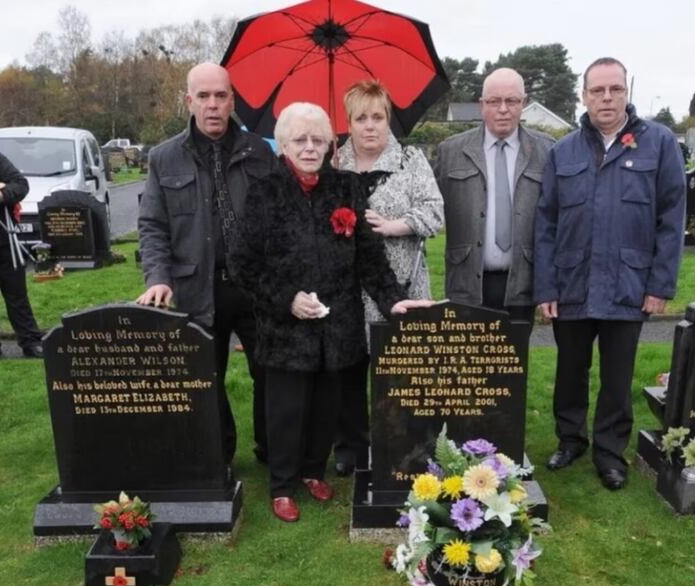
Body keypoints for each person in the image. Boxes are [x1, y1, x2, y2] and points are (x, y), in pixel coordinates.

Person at [228, 102, 430, 523]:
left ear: (330, 144)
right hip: (286, 327)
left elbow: (370, 259)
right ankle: (282, 484)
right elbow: (244, 264)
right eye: (299, 140)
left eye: (317, 139)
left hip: (338, 325)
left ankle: (312, 471)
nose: (308, 147)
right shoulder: (265, 192)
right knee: (287, 409)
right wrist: (288, 299)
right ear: (283, 144)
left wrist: (393, 299)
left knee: (326, 407)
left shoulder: (347, 189)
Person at [534, 57, 685, 490]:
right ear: (583, 96)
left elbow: (672, 219)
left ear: (626, 92)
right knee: (570, 371)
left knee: (618, 377)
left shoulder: (658, 144)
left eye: (614, 89)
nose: (606, 98)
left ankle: (609, 452)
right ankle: (570, 439)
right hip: (572, 283)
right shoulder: (564, 151)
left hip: (628, 285)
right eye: (597, 90)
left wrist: (659, 284)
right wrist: (546, 284)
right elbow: (545, 223)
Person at [136, 62, 276, 466]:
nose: (213, 105)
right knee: (204, 377)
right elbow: (152, 225)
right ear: (189, 101)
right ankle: (219, 454)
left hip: (253, 288)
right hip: (196, 287)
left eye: (221, 96)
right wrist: (158, 277)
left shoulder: (259, 151)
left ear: (232, 99)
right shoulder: (164, 158)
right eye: (204, 96)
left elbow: (277, 218)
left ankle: (271, 450)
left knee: (270, 371)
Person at [333, 80, 444, 476]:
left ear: (388, 120)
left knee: (399, 371)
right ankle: (350, 446)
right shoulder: (333, 163)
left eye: (377, 117)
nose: (369, 126)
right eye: (360, 118)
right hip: (348, 289)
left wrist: (395, 225)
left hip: (402, 286)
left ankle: (403, 441)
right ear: (348, 122)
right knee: (349, 372)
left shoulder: (410, 161)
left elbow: (436, 214)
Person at [434, 68, 554, 323]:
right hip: (466, 284)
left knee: (513, 362)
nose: (503, 109)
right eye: (494, 101)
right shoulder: (450, 151)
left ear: (523, 104)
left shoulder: (546, 151)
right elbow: (427, 206)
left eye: (511, 101)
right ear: (481, 105)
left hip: (522, 285)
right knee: (469, 362)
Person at [0, 139, 44, 361]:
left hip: (3, 239)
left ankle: (30, 341)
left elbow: (21, 185)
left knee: (16, 295)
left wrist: (1, 194)